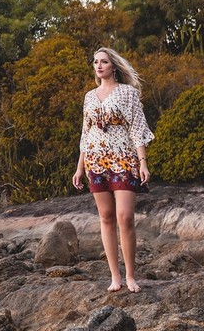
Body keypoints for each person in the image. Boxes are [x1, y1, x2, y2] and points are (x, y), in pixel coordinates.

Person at [72, 47, 155, 293]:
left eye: (104, 62)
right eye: (96, 62)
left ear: (113, 67)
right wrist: (79, 168)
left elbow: (137, 128)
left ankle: (130, 276)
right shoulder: (89, 96)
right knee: (106, 217)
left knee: (125, 217)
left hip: (123, 159)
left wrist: (142, 162)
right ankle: (115, 277)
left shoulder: (127, 93)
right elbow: (86, 135)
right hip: (95, 162)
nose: (99, 66)